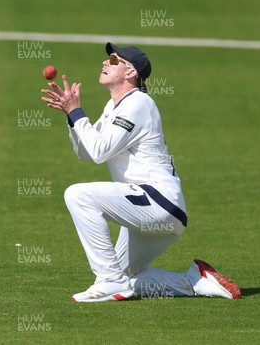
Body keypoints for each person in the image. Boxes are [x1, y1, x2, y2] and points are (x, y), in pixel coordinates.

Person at [40, 43, 241, 302]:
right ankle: (195, 281)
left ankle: (109, 280)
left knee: (78, 195)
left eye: (113, 60)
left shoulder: (138, 104)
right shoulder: (114, 107)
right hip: (152, 211)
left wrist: (77, 112)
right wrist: (72, 117)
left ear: (130, 72)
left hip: (158, 202)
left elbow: (99, 151)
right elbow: (87, 153)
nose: (105, 62)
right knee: (126, 278)